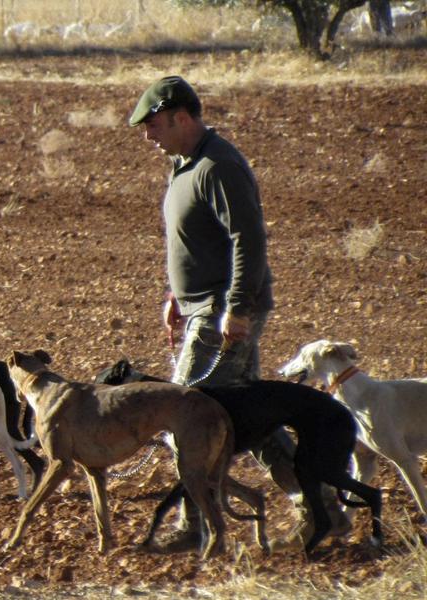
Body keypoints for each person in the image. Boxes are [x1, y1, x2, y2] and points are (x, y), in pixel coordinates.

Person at [130, 76, 350, 552]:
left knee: (185, 415)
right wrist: (177, 296)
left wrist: (237, 309)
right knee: (252, 419)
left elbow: (247, 241)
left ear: (181, 117)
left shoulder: (219, 165)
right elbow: (195, 240)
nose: (148, 135)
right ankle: (321, 509)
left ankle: (197, 528)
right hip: (201, 307)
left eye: (153, 125)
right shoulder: (183, 164)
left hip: (221, 312)